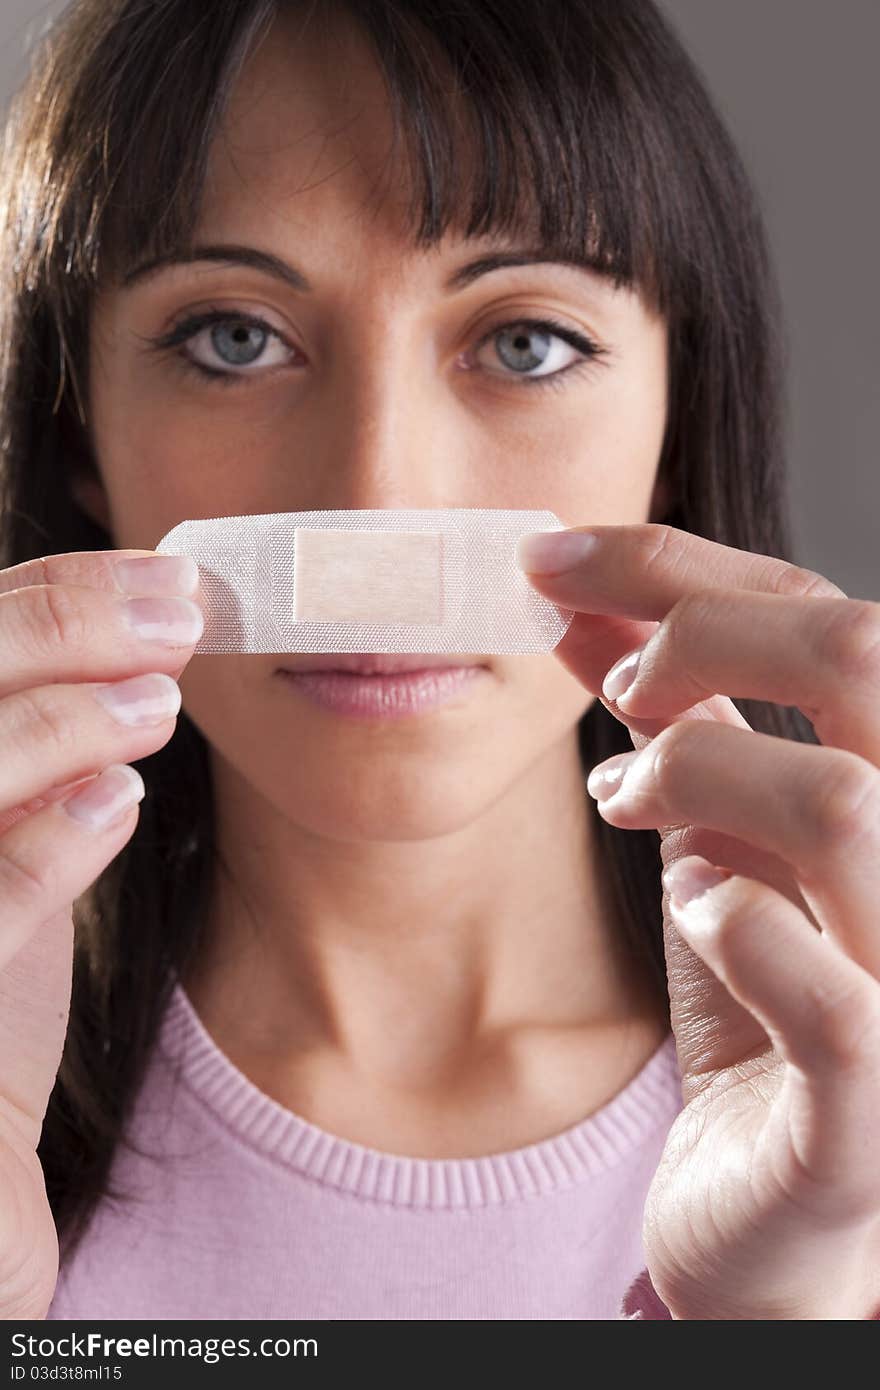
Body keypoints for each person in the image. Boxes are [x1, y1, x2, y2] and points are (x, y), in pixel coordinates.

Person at [0, 0, 877, 1323]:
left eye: (525, 342)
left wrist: (792, 1316)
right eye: (231, 337)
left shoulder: (838, 1133)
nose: (375, 496)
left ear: (674, 426)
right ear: (79, 435)